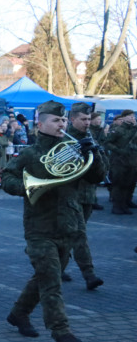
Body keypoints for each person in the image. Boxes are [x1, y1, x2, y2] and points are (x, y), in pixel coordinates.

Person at [1, 100, 104, 342]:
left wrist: (94, 153)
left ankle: (19, 313)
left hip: (68, 222)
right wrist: (28, 188)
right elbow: (7, 178)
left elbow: (97, 177)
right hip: (39, 225)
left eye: (64, 121)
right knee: (51, 281)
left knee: (46, 276)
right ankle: (61, 333)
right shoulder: (30, 153)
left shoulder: (74, 148)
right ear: (41, 124)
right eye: (57, 121)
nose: (62, 125)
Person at [62, 103, 104, 290]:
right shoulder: (62, 138)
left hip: (87, 195)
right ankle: (89, 274)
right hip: (69, 196)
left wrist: (96, 154)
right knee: (79, 235)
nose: (87, 123)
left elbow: (101, 171)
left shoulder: (91, 137)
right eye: (83, 119)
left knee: (71, 236)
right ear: (72, 120)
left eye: (89, 119)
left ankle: (57, 267)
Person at [104, 109, 137, 214]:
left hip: (131, 161)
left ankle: (124, 204)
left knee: (128, 184)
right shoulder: (118, 130)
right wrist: (119, 150)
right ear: (124, 118)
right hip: (119, 161)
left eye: (133, 116)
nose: (132, 118)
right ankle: (117, 206)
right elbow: (108, 143)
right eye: (130, 116)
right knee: (118, 184)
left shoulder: (134, 129)